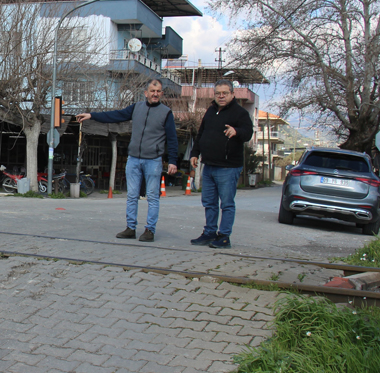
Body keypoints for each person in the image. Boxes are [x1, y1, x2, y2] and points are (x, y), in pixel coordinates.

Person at [75, 79, 178, 242]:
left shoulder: (166, 113)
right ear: (146, 93)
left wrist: (173, 161)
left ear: (162, 94)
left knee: (152, 196)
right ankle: (130, 228)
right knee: (131, 195)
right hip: (134, 159)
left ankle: (149, 230)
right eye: (152, 91)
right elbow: (116, 115)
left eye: (158, 91)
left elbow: (172, 138)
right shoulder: (136, 108)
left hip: (153, 160)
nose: (155, 94)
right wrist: (92, 115)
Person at [189, 79, 254, 249]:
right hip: (209, 165)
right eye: (218, 93)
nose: (221, 96)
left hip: (228, 167)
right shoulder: (210, 111)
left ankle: (224, 236)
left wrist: (236, 131)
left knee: (226, 204)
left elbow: (248, 133)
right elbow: (201, 133)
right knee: (209, 203)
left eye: (225, 93)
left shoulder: (240, 113)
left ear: (232, 94)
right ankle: (210, 232)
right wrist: (195, 153)